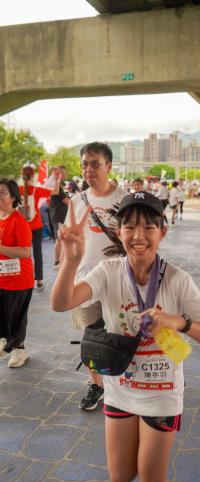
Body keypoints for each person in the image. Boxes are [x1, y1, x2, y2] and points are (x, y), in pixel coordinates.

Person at [51, 191, 200, 482]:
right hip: (120, 391)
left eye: (149, 226)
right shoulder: (108, 272)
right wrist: (71, 261)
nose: (139, 235)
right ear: (118, 232)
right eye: (130, 226)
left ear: (163, 231)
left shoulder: (177, 280)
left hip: (162, 396)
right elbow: (61, 302)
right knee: (120, 476)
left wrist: (179, 322)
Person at [65, 142, 126, 411]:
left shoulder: (125, 200)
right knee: (91, 337)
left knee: (121, 333)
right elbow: (72, 242)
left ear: (109, 166)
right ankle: (97, 385)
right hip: (84, 281)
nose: (88, 169)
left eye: (95, 164)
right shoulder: (77, 202)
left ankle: (126, 383)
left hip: (118, 282)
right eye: (84, 164)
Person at [0, 178, 34, 368]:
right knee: (3, 317)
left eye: (2, 192)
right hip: (1, 279)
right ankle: (6, 342)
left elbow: (25, 251)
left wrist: (1, 248)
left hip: (19, 280)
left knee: (16, 318)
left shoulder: (18, 221)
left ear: (13, 196)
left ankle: (19, 350)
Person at [19, 163, 60, 289]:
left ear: (22, 175)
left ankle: (25, 278)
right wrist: (57, 179)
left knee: (23, 253)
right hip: (36, 225)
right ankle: (39, 280)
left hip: (21, 225)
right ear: (33, 176)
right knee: (38, 253)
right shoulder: (37, 190)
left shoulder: (17, 189)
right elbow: (56, 191)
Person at [48, 166, 70, 269]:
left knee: (60, 238)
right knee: (59, 238)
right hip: (58, 215)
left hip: (59, 215)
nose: (65, 174)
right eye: (63, 173)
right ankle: (57, 261)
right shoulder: (57, 187)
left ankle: (59, 260)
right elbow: (66, 201)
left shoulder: (57, 186)